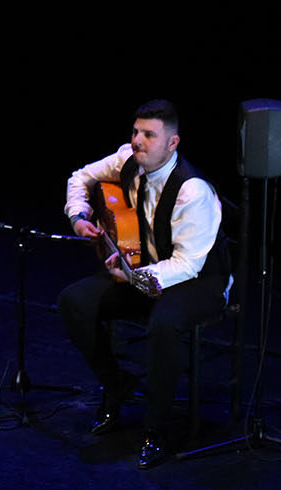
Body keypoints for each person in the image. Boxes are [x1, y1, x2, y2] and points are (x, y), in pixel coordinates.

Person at [58, 99, 230, 469]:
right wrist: (79, 215)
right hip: (145, 270)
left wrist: (136, 278)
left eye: (149, 135)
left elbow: (188, 264)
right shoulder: (128, 160)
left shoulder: (192, 191)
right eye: (136, 132)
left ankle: (156, 427)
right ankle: (116, 383)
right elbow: (80, 177)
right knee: (74, 301)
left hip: (200, 280)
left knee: (165, 324)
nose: (138, 141)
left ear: (172, 143)